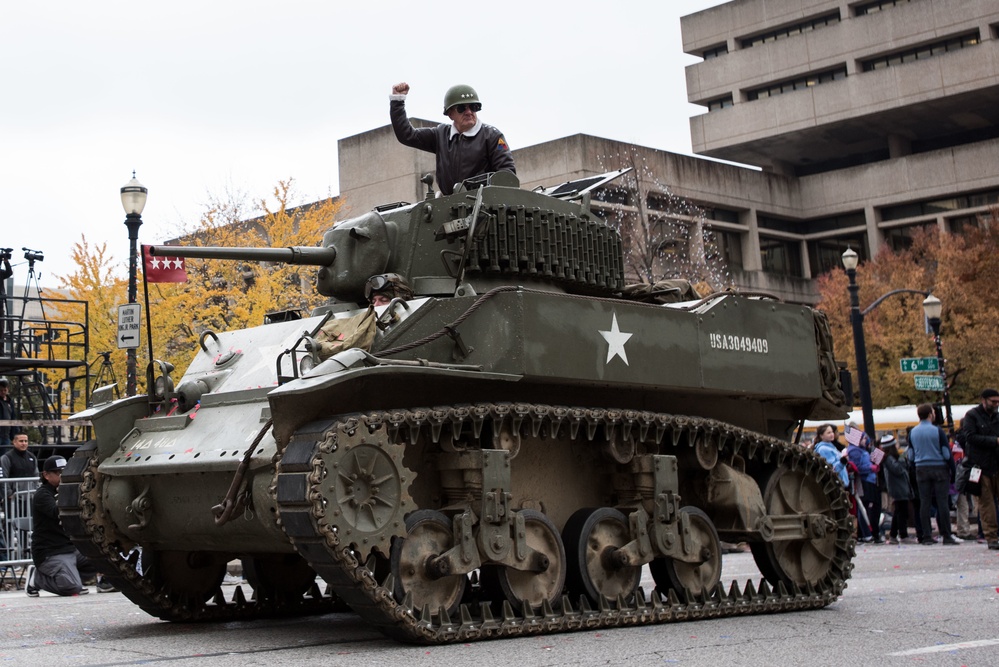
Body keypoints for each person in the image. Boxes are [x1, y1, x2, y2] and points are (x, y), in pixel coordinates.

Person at [390, 82, 516, 196]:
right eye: (462, 108)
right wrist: (397, 101)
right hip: (449, 207)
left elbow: (507, 175)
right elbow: (407, 135)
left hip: (483, 207)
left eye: (473, 107)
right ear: (450, 114)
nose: (469, 112)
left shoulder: (492, 136)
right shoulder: (441, 135)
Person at [27, 455, 115, 596]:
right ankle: (37, 579)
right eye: (58, 473)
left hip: (71, 548)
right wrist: (70, 495)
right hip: (51, 551)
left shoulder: (67, 491)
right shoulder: (42, 495)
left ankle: (100, 581)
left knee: (101, 557)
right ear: (46, 475)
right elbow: (58, 512)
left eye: (65, 472)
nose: (62, 476)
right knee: (72, 588)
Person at [910, 403, 959, 545]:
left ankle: (926, 536)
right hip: (939, 468)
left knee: (924, 502)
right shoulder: (937, 431)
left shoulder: (913, 432)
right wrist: (952, 471)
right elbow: (946, 453)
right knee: (942, 502)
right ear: (931, 415)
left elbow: (911, 455)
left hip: (921, 469)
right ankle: (946, 535)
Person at [959, 388, 999, 550]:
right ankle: (991, 537)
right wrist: (994, 441)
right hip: (980, 467)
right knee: (986, 504)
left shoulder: (997, 416)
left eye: (997, 402)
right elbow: (970, 437)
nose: (996, 404)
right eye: (993, 401)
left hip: (997, 464)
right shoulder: (972, 416)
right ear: (983, 400)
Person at [846, 423, 882, 543]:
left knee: (868, 507)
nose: (865, 440)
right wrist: (871, 467)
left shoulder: (861, 449)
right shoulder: (855, 450)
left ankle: (868, 533)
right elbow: (859, 467)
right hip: (864, 480)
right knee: (864, 507)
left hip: (869, 479)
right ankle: (866, 533)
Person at [880, 434, 914, 544]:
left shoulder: (888, 458)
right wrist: (903, 461)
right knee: (902, 512)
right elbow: (898, 470)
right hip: (898, 487)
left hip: (898, 487)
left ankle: (893, 535)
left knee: (898, 511)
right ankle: (903, 534)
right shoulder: (890, 458)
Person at [812, 424, 849, 488]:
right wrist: (842, 461)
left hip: (839, 483)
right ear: (821, 436)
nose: (832, 434)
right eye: (828, 433)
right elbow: (831, 469)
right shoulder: (823, 449)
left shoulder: (831, 447)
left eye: (832, 432)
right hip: (836, 485)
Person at [0, 377, 19, 454]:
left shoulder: (9, 402)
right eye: (1, 390)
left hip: (6, 434)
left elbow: (13, 418)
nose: (3, 392)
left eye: (5, 390)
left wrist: (15, 433)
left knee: (4, 456)